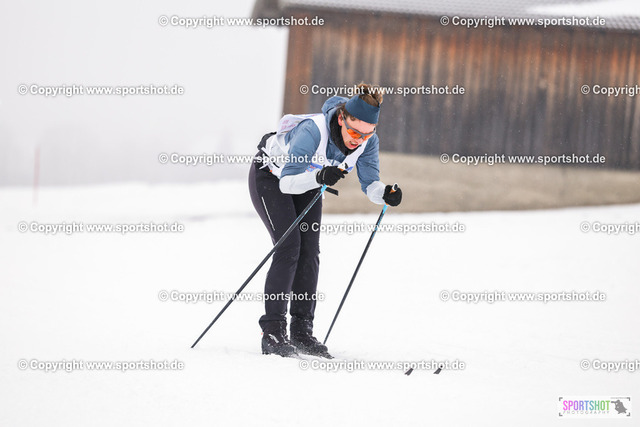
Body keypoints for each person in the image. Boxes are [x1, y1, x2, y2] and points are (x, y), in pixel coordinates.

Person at [248, 82, 402, 357]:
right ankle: (272, 332)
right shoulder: (313, 131)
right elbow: (287, 183)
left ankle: (301, 332)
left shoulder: (367, 142)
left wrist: (385, 194)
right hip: (272, 177)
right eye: (354, 132)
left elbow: (370, 184)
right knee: (289, 247)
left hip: (309, 182)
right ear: (342, 118)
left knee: (309, 252)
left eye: (366, 134)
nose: (358, 140)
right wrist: (320, 176)